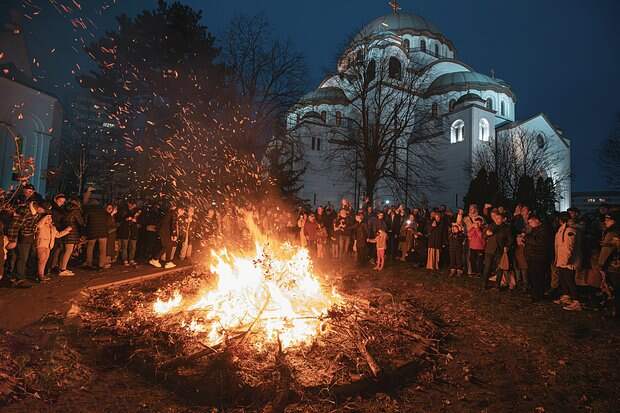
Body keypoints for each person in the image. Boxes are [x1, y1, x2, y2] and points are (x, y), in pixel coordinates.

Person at [7, 200, 42, 285]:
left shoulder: (35, 214)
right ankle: (19, 278)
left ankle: (16, 276)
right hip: (22, 239)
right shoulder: (25, 212)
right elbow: (14, 226)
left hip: (28, 238)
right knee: (22, 258)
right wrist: (12, 240)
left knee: (22, 257)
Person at [554, 212, 582, 311]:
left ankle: (576, 301)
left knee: (570, 280)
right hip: (562, 260)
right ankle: (566, 297)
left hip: (568, 261)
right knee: (564, 279)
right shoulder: (563, 230)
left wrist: (565, 260)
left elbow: (569, 247)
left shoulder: (570, 231)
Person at [35, 207, 71, 281]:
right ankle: (40, 275)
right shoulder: (41, 226)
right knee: (41, 260)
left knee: (44, 260)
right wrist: (46, 216)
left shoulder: (52, 227)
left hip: (49, 245)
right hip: (41, 244)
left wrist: (66, 230)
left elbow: (58, 235)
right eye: (48, 218)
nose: (49, 219)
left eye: (50, 218)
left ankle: (41, 274)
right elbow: (39, 225)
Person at [482, 209, 513, 290]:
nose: (497, 220)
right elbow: (484, 235)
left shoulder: (506, 228)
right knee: (487, 267)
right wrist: (486, 234)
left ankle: (497, 286)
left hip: (500, 250)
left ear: (502, 219)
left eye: (499, 218)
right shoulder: (491, 226)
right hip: (490, 250)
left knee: (500, 268)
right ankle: (484, 284)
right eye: (496, 218)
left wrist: (507, 246)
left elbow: (510, 240)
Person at [524, 214, 551, 301]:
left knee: (538, 277)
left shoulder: (544, 229)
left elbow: (539, 242)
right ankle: (535, 293)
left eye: (530, 222)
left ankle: (538, 295)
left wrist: (526, 238)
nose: (530, 224)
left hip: (539, 257)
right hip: (532, 256)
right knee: (533, 276)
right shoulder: (535, 229)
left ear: (536, 220)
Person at [599, 212, 620, 318]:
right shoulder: (609, 232)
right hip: (609, 264)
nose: (605, 221)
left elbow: (609, 250)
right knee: (610, 288)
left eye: (608, 219)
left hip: (613, 265)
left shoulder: (614, 233)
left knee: (614, 288)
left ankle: (615, 311)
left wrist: (602, 264)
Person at [59, 198, 84, 276]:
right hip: (72, 233)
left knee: (64, 251)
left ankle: (61, 267)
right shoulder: (76, 211)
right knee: (68, 251)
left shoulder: (64, 210)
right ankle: (63, 269)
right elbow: (81, 222)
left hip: (65, 231)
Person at [83, 199, 109, 270]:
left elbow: (85, 221)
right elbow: (107, 219)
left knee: (90, 247)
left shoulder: (88, 210)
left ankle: (89, 263)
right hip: (103, 232)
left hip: (92, 231)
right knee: (103, 249)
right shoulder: (103, 210)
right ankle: (101, 264)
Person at [118, 200, 140, 266]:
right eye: (130, 204)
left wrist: (136, 221)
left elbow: (140, 221)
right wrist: (126, 219)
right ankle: (124, 259)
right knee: (124, 246)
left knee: (133, 246)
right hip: (125, 231)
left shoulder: (137, 211)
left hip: (133, 232)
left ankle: (131, 259)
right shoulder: (124, 211)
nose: (132, 206)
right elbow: (120, 219)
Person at [49, 193, 67, 273]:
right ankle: (51, 266)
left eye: (63, 202)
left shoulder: (60, 209)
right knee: (53, 249)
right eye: (60, 201)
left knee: (57, 249)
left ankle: (53, 265)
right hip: (55, 230)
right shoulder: (54, 209)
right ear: (55, 200)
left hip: (58, 230)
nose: (61, 203)